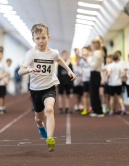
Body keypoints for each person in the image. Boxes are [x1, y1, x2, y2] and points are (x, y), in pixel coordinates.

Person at [18, 23, 76, 152]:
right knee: (39, 118)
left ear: (48, 38)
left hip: (49, 87)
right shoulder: (31, 54)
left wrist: (69, 70)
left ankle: (50, 139)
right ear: (33, 39)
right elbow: (20, 71)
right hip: (35, 89)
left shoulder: (53, 53)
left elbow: (59, 59)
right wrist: (29, 69)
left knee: (49, 110)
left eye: (43, 38)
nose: (41, 41)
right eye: (37, 38)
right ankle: (40, 126)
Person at [88, 39, 104, 117]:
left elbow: (93, 65)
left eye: (92, 44)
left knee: (94, 93)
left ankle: (99, 111)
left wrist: (88, 59)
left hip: (95, 74)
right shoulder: (96, 53)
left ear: (95, 45)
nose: (91, 46)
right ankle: (95, 110)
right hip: (94, 74)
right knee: (93, 93)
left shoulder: (97, 53)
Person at [80, 46, 92, 116]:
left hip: (91, 79)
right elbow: (81, 69)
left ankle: (91, 107)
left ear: (88, 51)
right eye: (82, 51)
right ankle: (85, 108)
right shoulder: (81, 61)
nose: (83, 52)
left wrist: (86, 59)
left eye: (84, 51)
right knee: (85, 94)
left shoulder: (91, 58)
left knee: (91, 94)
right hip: (84, 79)